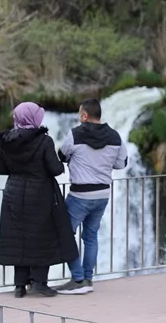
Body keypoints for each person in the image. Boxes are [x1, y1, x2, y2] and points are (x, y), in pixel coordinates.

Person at [0, 102, 78, 298]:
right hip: (40, 193)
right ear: (35, 118)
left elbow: (0, 169)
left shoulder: (7, 140)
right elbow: (56, 169)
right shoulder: (44, 141)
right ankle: (40, 283)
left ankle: (19, 286)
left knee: (19, 237)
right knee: (42, 236)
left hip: (13, 193)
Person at [55, 98, 128, 295]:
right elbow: (121, 164)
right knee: (90, 236)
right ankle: (88, 279)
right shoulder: (115, 137)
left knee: (63, 234)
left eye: (80, 115)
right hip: (103, 194)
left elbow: (62, 155)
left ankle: (77, 279)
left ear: (85, 116)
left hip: (80, 194)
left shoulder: (75, 134)